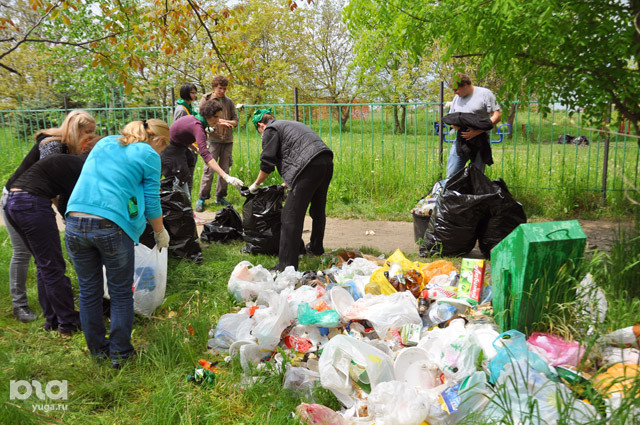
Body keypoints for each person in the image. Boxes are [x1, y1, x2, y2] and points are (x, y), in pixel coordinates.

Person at [64, 119, 171, 369]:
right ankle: (120, 354)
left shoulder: (104, 143)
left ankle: (98, 352)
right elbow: (152, 203)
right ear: (160, 141)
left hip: (75, 221)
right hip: (111, 225)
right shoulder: (149, 154)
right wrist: (160, 231)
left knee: (89, 291)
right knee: (121, 293)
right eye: (162, 149)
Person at [1, 110, 96, 323]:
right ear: (75, 129)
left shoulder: (70, 151)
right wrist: (68, 219)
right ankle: (27, 307)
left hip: (25, 198)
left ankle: (52, 317)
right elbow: (53, 182)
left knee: (45, 262)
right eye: (87, 132)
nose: (89, 136)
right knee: (30, 256)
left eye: (93, 133)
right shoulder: (52, 145)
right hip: (22, 198)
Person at [248, 109, 333, 271]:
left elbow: (267, 163)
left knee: (290, 216)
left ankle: (286, 264)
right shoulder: (289, 124)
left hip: (309, 165)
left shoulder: (270, 130)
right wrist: (286, 184)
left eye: (258, 131)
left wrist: (256, 184)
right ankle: (316, 247)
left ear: (260, 126)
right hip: (326, 161)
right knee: (317, 209)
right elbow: (299, 156)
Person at [164, 99, 243, 198]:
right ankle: (183, 208)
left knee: (189, 166)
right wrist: (226, 176)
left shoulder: (196, 119)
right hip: (169, 151)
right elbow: (206, 155)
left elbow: (182, 138)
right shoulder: (197, 126)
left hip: (179, 148)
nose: (218, 120)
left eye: (219, 117)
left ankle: (186, 208)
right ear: (207, 115)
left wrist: (196, 150)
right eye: (215, 117)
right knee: (180, 182)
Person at [446, 73, 501, 179]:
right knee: (452, 175)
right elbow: (451, 117)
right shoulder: (457, 99)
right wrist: (457, 126)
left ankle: (473, 195)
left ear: (465, 85)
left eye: (456, 89)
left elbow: (497, 116)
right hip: (461, 142)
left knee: (476, 176)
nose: (455, 93)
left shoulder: (485, 94)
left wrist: (476, 132)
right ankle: (452, 195)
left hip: (480, 141)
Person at [195, 76, 238, 211]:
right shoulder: (206, 99)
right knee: (209, 170)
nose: (222, 91)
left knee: (225, 169)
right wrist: (221, 122)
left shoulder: (229, 102)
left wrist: (226, 122)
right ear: (214, 87)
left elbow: (235, 121)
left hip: (227, 140)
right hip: (212, 138)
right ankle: (202, 198)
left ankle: (220, 196)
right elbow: (201, 117)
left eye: (225, 89)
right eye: (220, 88)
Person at [173, 82, 204, 196]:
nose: (195, 95)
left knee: (189, 180)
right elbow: (179, 132)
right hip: (184, 150)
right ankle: (185, 208)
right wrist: (193, 147)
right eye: (192, 92)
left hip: (190, 148)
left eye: (196, 92)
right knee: (184, 181)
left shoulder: (189, 108)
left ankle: (188, 208)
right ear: (186, 93)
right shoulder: (181, 109)